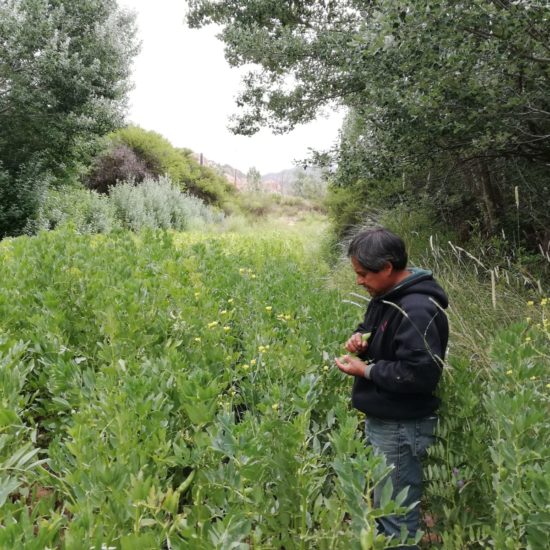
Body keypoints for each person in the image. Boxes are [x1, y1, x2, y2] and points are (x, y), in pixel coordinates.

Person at [335, 227, 448, 549]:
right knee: (385, 503)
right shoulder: (385, 297)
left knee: (396, 512)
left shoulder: (417, 309)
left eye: (362, 274)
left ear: (386, 268)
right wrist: (360, 341)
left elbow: (420, 374)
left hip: (401, 425)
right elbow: (373, 330)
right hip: (387, 419)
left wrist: (366, 370)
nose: (359, 281)